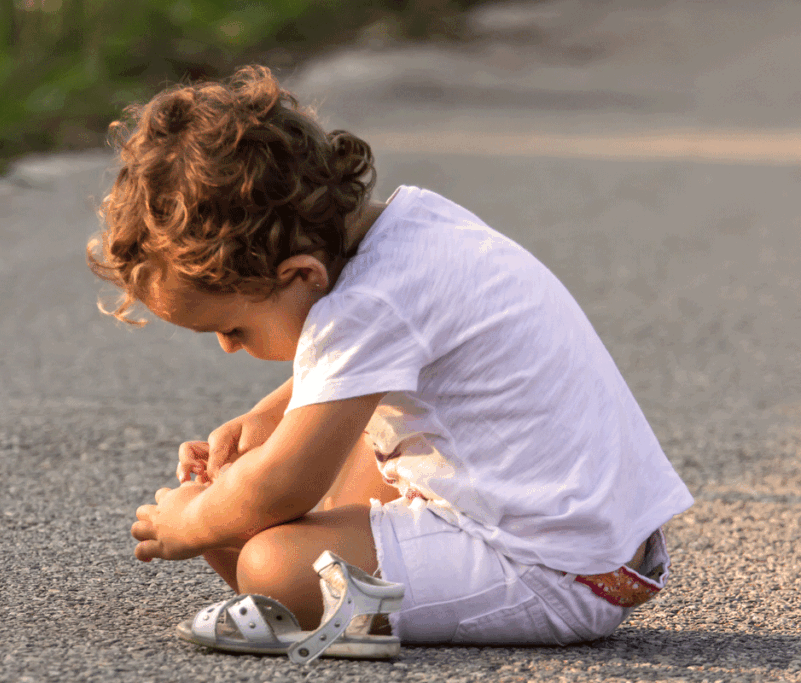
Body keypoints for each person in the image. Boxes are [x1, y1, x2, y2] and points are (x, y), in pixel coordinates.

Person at [87, 65, 694, 646]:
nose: (228, 347)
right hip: (593, 546)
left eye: (234, 328)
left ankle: (333, 612)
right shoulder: (413, 230)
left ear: (301, 273)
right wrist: (268, 420)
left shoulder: (369, 305)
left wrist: (187, 523)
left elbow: (283, 487)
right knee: (274, 488)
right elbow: (365, 358)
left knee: (271, 563)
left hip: (551, 569)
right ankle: (357, 582)